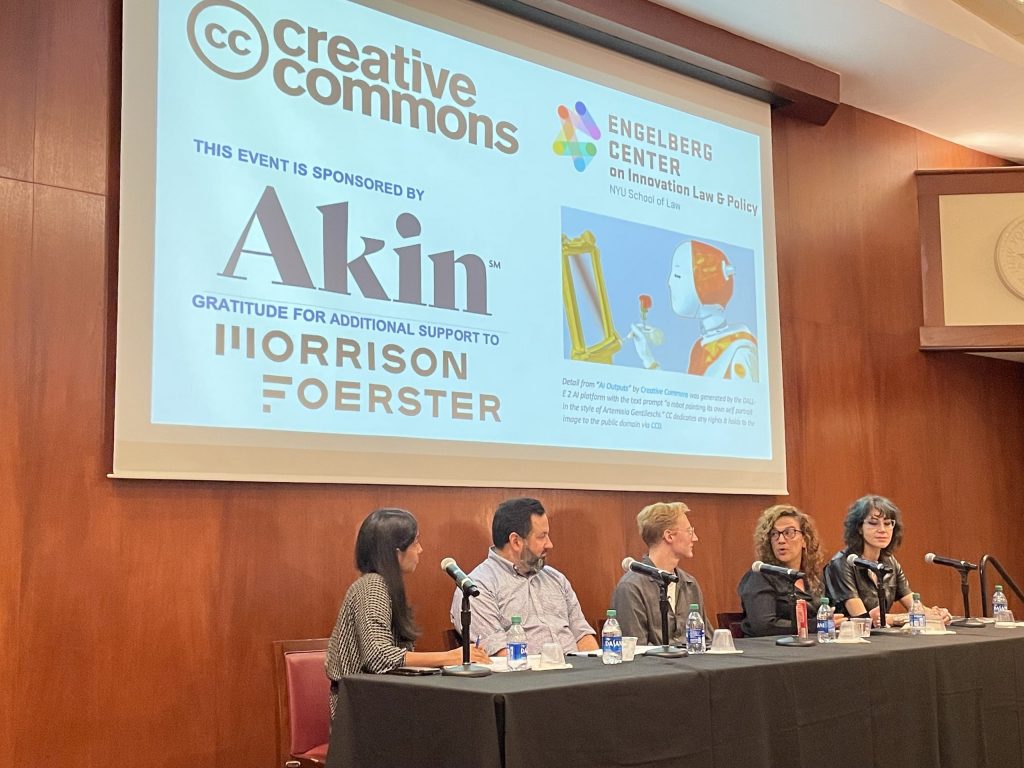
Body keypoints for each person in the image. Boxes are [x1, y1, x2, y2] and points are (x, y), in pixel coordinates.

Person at [326, 508, 488, 717]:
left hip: (381, 702)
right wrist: (449, 657)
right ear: (396, 552)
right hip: (362, 713)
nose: (420, 550)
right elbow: (379, 657)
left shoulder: (383, 585)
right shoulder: (373, 586)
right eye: (415, 543)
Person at [451, 497, 598, 655]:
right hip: (529, 676)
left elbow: (582, 635)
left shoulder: (556, 579)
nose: (549, 544)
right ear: (515, 541)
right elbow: (500, 655)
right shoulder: (478, 587)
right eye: (542, 537)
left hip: (577, 673)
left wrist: (599, 672)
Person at [629, 239, 758, 381]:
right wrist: (647, 357)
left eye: (678, 275)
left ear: (706, 283)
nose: (670, 282)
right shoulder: (700, 348)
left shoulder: (740, 352)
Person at [824, 495, 951, 627]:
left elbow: (915, 606)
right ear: (859, 528)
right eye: (873, 523)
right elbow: (863, 618)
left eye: (888, 523)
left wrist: (937, 615)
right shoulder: (841, 563)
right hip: (848, 640)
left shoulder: (890, 562)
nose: (882, 530)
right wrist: (899, 618)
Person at [611, 501, 707, 645]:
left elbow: (706, 640)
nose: (695, 538)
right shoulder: (631, 587)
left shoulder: (690, 584)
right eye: (689, 531)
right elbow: (635, 649)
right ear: (669, 536)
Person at [738, 504, 828, 637]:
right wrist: (817, 625)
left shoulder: (812, 577)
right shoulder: (760, 577)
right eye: (774, 534)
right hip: (771, 651)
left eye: (789, 533)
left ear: (804, 539)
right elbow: (764, 626)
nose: (781, 540)